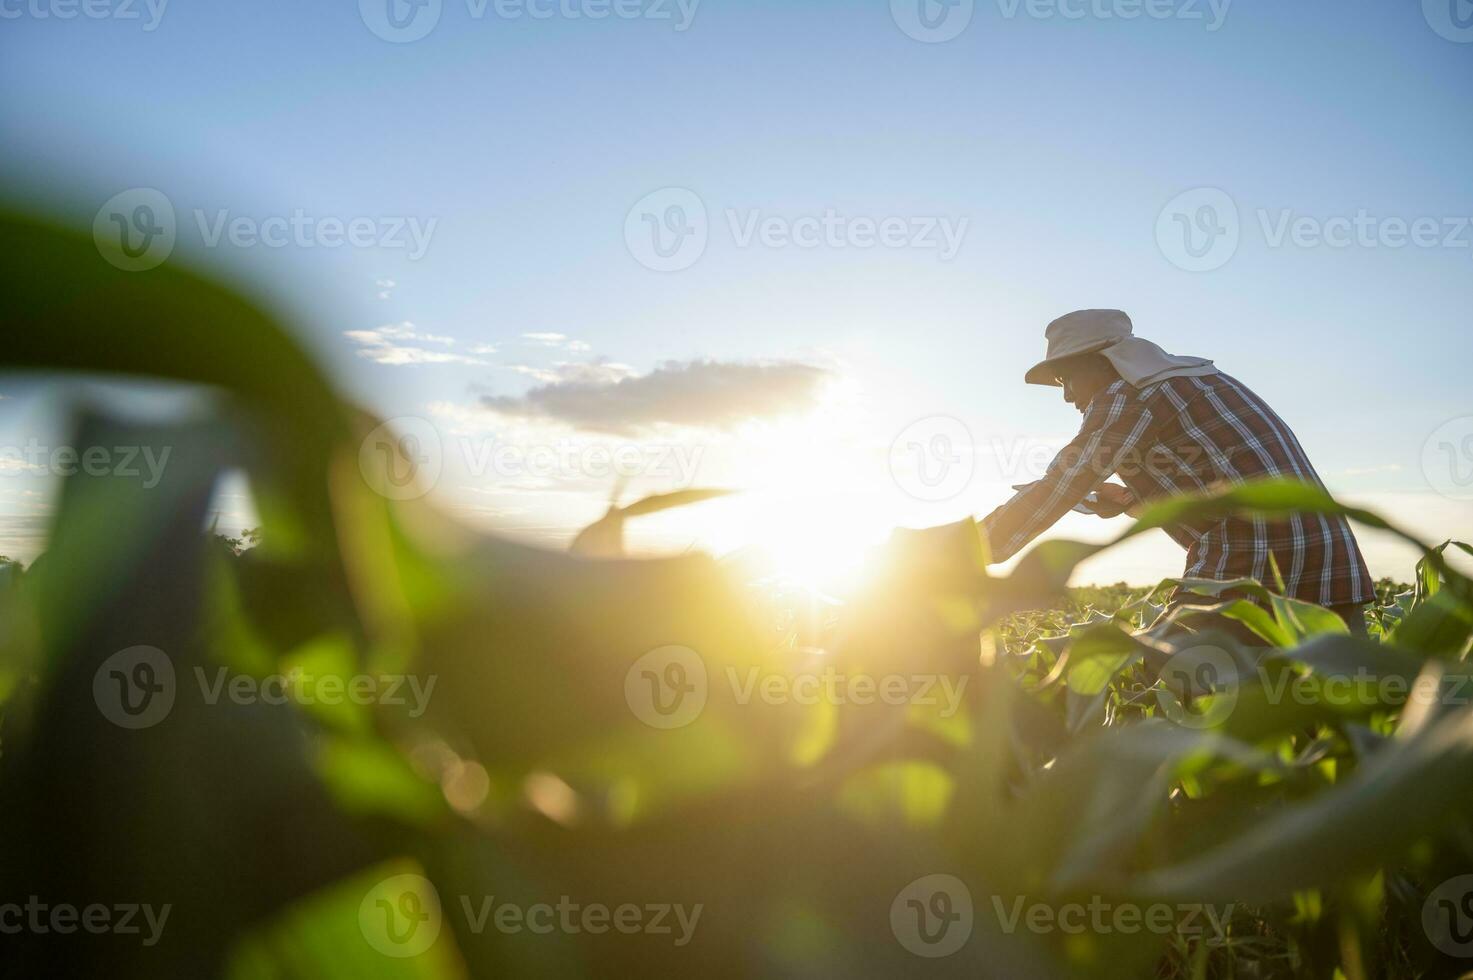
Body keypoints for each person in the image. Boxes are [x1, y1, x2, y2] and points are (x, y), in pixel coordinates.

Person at [980, 309, 1373, 636]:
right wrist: (1126, 501)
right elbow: (1221, 477)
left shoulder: (1128, 393)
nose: (1066, 396)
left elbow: (1062, 483)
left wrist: (969, 551)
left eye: (1066, 379)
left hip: (1250, 552)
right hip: (1328, 559)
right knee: (1333, 696)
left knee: (1169, 668)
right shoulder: (1193, 382)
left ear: (1100, 363)